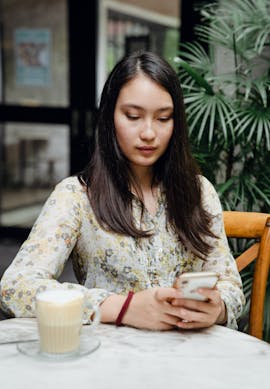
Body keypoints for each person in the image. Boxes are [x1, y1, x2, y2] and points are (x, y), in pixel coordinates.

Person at [0, 51, 244, 330]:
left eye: (163, 118)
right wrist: (123, 308)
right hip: (112, 360)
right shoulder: (77, 197)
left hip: (190, 356)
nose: (149, 132)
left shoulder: (198, 192)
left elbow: (231, 288)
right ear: (109, 117)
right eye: (133, 116)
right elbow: (15, 287)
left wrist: (217, 307)